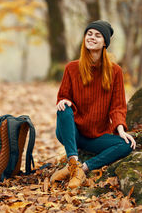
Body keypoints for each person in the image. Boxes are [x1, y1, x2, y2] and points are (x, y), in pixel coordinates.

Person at [50, 20, 136, 189]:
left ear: (105, 43)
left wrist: (120, 129)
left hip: (97, 136)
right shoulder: (72, 68)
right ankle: (73, 160)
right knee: (64, 108)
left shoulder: (115, 71)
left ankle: (81, 169)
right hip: (72, 133)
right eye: (89, 34)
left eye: (98, 35)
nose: (92, 38)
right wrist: (64, 101)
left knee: (127, 145)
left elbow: (118, 106)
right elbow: (62, 97)